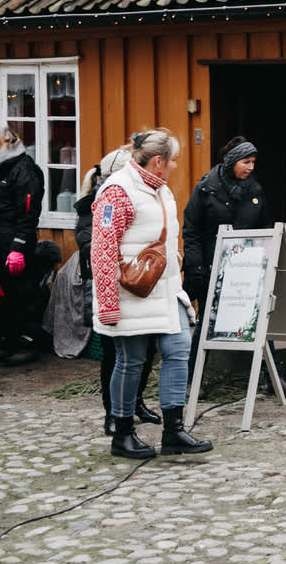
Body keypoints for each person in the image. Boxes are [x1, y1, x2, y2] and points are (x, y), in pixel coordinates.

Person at [91, 128, 211, 459]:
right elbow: (102, 249)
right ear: (158, 162)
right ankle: (123, 433)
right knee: (131, 362)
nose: (175, 166)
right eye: (173, 161)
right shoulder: (117, 191)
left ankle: (174, 432)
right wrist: (108, 304)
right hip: (130, 293)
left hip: (166, 291)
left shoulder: (160, 190)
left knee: (177, 351)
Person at [181, 136, 281, 390]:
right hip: (211, 266)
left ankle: (274, 380)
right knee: (206, 323)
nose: (251, 167)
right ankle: (194, 383)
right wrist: (196, 267)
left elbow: (265, 227)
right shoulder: (206, 189)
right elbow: (191, 229)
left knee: (258, 319)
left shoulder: (255, 190)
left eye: (253, 162)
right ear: (232, 162)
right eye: (246, 162)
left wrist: (265, 259)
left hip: (246, 267)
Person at [76, 146, 160, 436]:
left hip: (136, 284)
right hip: (106, 286)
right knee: (113, 354)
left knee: (145, 350)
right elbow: (91, 243)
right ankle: (112, 412)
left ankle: (136, 402)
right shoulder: (101, 200)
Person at [0, 125, 46, 364]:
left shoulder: (25, 171)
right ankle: (7, 341)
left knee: (23, 293)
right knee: (4, 294)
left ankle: (27, 342)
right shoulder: (1, 170)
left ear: (1, 148)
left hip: (16, 242)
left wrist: (18, 248)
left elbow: (27, 214)